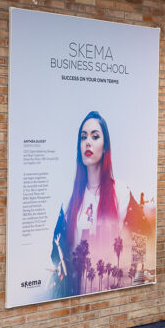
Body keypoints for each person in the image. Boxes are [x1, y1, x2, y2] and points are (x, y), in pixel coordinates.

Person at [50, 111, 123, 298]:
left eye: (95, 136)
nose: (88, 142)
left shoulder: (121, 195)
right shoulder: (68, 199)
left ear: (105, 146)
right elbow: (56, 251)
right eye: (83, 137)